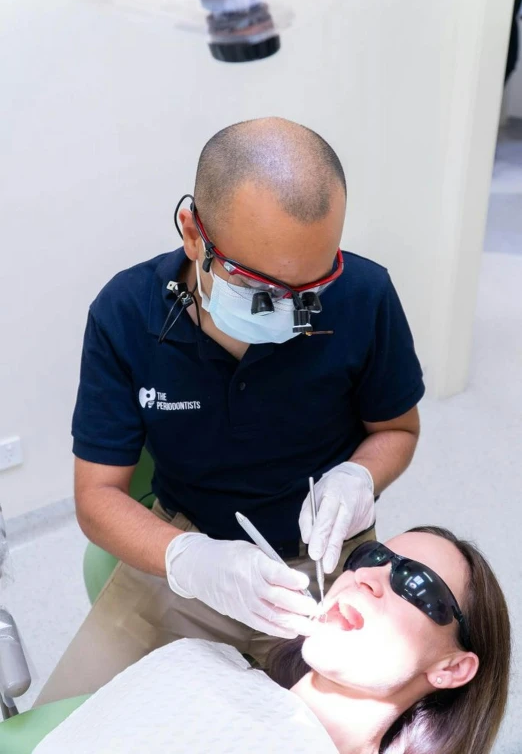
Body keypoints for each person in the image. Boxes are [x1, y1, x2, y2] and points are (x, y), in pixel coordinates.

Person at [36, 117, 425, 705]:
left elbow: (397, 428)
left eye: (311, 290)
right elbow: (97, 499)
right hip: (187, 554)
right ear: (194, 232)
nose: (292, 315)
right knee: (72, 728)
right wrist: (191, 560)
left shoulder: (365, 295)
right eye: (261, 289)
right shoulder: (124, 314)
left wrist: (359, 476)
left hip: (325, 562)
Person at [34, 527, 511, 754]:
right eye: (370, 556)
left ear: (451, 668)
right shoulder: (196, 661)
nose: (367, 576)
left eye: (416, 584)